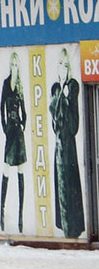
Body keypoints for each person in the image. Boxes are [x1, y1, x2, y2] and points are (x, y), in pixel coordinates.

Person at [50, 48, 83, 239]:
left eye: (65, 64)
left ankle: (73, 230)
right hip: (58, 147)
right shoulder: (55, 88)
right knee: (61, 188)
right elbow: (55, 124)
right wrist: (60, 95)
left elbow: (73, 125)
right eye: (59, 64)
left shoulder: (73, 86)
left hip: (69, 148)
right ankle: (64, 227)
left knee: (70, 188)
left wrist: (67, 97)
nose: (62, 68)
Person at [0, 51, 27, 232]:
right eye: (13, 64)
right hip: (10, 133)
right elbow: (1, 108)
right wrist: (5, 127)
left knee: (21, 171)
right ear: (10, 66)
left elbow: (25, 111)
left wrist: (23, 124)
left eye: (17, 64)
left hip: (19, 133)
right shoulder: (6, 84)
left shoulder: (20, 85)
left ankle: (21, 216)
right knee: (6, 170)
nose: (14, 67)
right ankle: (1, 211)